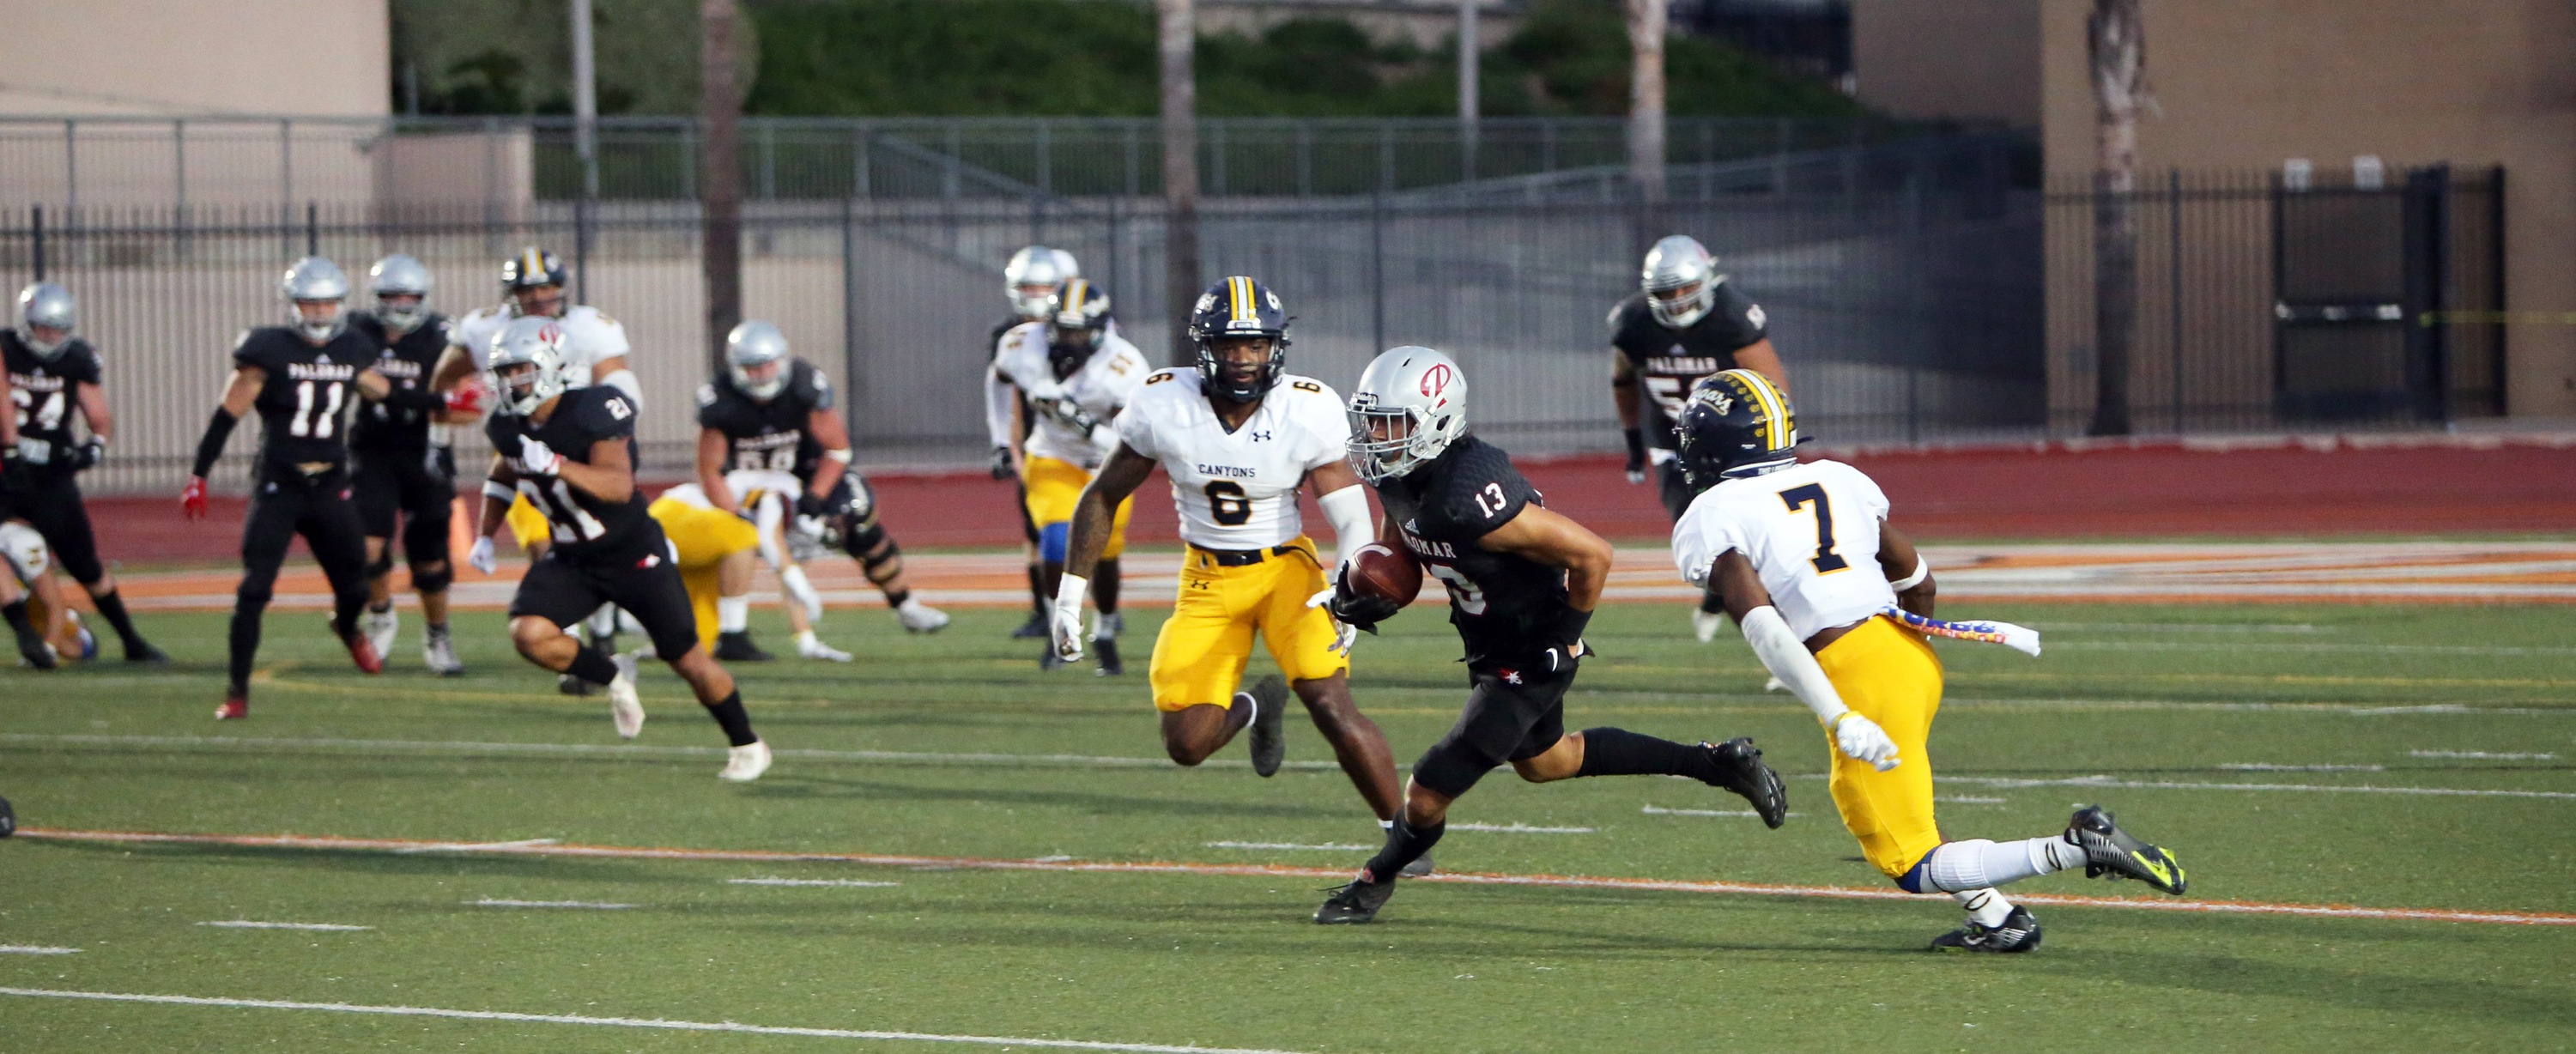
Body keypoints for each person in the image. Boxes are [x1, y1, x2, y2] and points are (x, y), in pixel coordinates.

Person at [1671, 368, 2187, 952]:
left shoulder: (1712, 511)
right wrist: (1902, 664)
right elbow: (1917, 581)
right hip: (1907, 651)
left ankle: (2077, 845)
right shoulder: (1838, 479)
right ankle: (1998, 920)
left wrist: (1841, 712)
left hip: (1857, 675)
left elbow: (1762, 626)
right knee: (1908, 808)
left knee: (1909, 861)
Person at [1311, 346, 1788, 925]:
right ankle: (1717, 763)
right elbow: (1401, 537)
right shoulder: (1401, 473)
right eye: (1372, 423)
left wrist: (1563, 640)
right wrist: (1368, 588)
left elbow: (1592, 554)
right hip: (1490, 640)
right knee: (1547, 762)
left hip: (1532, 645)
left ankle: (1371, 882)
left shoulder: (1471, 493)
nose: (1376, 437)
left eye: (1391, 424)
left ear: (1435, 420)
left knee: (1426, 791)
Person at [1053, 276, 1415, 860]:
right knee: (1186, 744)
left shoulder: (1308, 405)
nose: (1243, 358)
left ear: (1277, 347)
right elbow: (1101, 495)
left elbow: (1351, 518)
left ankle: (1400, 832)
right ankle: (1254, 707)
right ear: (1203, 348)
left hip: (1284, 573)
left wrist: (1346, 586)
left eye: (1256, 345)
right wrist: (1069, 597)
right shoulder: (1163, 401)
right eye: (1229, 345)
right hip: (1207, 579)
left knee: (1329, 701)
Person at [464, 316, 771, 782]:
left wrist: (556, 465)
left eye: (519, 370)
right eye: (503, 372)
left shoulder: (594, 409)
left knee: (687, 659)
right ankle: (612, 674)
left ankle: (748, 743)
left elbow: (618, 487)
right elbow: (505, 473)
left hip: (632, 555)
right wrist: (486, 533)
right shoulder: (505, 423)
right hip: (571, 556)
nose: (510, 382)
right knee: (529, 634)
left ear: (552, 366)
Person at [185, 257, 461, 718]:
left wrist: (442, 401)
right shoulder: (267, 349)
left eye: (328, 304)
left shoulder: (354, 347)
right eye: (310, 304)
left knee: (355, 586)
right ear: (294, 306)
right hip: (280, 483)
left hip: (330, 483)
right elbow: (225, 416)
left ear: (341, 306)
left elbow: (389, 394)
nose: (319, 313)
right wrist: (198, 473)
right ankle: (237, 692)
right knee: (254, 589)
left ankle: (349, 629)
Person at [434, 246, 638, 690]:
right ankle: (577, 647)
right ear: (512, 295)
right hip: (522, 445)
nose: (541, 296)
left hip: (581, 450)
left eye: (548, 287)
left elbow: (620, 383)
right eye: (530, 289)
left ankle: (602, 631)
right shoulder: (487, 329)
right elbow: (444, 380)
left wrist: (611, 431)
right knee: (547, 547)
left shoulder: (588, 326)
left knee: (597, 537)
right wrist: (443, 425)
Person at [697, 320, 947, 652]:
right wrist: (734, 513)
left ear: (782, 362)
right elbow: (710, 470)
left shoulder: (803, 388)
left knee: (857, 514)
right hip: (749, 487)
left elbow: (838, 449)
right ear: (736, 369)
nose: (761, 375)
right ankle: (727, 630)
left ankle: (905, 605)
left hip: (806, 475)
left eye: (767, 365)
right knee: (721, 540)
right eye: (752, 368)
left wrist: (816, 497)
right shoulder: (721, 402)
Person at [985, 279, 1147, 673]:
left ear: (1099, 331)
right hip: (1051, 457)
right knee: (1056, 543)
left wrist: (1082, 424)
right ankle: (1061, 629)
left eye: (1079, 331)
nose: (1069, 339)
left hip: (1108, 467)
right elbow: (997, 379)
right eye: (1063, 329)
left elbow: (1138, 443)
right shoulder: (1023, 343)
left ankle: (1105, 630)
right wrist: (1000, 442)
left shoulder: (1124, 366)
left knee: (1104, 557)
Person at [0, 282, 166, 663]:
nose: (50, 336)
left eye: (57, 329)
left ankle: (131, 641)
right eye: (43, 328)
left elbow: (99, 416)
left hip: (51, 475)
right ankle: (27, 636)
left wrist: (96, 445)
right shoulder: (7, 349)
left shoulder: (76, 358)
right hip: (5, 471)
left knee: (86, 566)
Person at [348, 255, 468, 675]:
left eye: (409, 295)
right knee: (365, 547)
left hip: (426, 453)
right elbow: (367, 384)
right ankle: (381, 614)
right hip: (373, 451)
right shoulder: (357, 331)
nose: (401, 303)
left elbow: (469, 407)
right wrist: (435, 401)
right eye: (392, 295)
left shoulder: (444, 337)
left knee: (430, 559)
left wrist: (434, 404)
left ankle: (437, 632)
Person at [988, 245, 1079, 639]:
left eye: (1046, 286)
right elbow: (1005, 394)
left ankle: (1106, 608)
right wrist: (1007, 447)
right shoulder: (1009, 337)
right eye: (1030, 286)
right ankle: (1046, 611)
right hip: (1038, 439)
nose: (1037, 294)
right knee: (1038, 530)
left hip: (1084, 438)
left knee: (1100, 526)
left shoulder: (1085, 325)